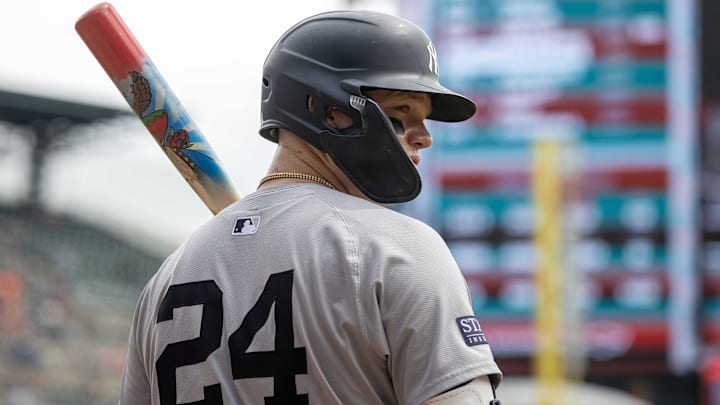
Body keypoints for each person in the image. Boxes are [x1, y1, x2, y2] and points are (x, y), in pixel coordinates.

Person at [119, 10, 502, 405]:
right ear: (330, 109)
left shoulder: (166, 280)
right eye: (401, 114)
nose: (423, 138)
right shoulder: (399, 249)